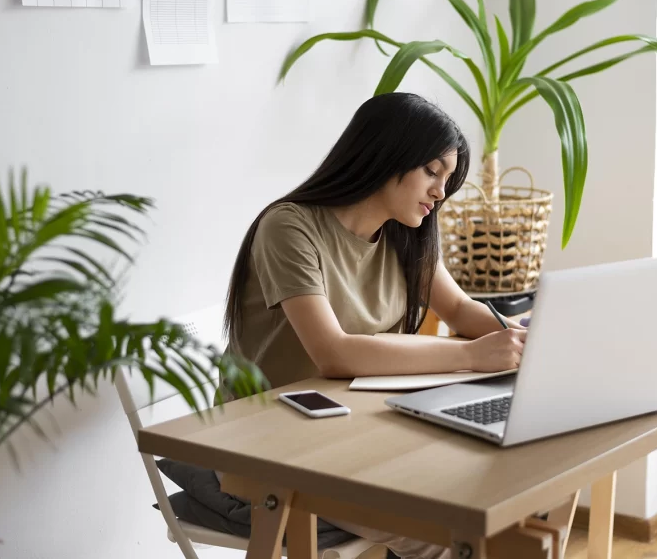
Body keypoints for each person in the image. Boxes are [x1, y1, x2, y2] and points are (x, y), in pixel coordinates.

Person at [218, 92, 526, 559]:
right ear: (386, 154)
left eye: (447, 179)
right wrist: (468, 354)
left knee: (506, 493)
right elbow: (334, 353)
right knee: (451, 531)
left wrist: (535, 336)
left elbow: (460, 311)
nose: (440, 193)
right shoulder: (289, 227)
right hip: (270, 442)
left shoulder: (408, 234)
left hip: (360, 426)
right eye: (432, 172)